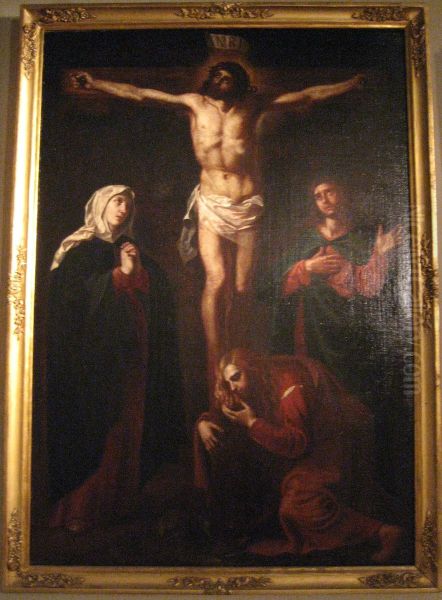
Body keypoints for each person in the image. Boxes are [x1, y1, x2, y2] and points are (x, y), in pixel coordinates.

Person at [71, 64, 364, 394]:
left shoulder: (253, 106)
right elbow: (140, 94)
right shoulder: (194, 104)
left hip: (248, 205)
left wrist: (349, 82)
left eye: (230, 77)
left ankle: (235, 356)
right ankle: (215, 359)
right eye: (219, 77)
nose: (224, 82)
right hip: (211, 204)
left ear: (241, 83)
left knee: (241, 286)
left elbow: (308, 95)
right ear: (210, 81)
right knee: (217, 279)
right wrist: (96, 83)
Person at [46, 185, 183, 532]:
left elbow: (158, 298)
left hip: (134, 353)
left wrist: (137, 271)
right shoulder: (77, 252)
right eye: (117, 201)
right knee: (100, 426)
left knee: (129, 423)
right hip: (94, 361)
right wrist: (119, 275)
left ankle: (118, 503)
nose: (123, 208)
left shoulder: (132, 250)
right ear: (101, 206)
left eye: (128, 204)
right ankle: (81, 508)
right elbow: (68, 304)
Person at [194, 348, 403, 563]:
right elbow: (222, 412)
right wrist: (203, 423)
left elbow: (297, 443)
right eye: (228, 382)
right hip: (290, 458)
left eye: (236, 377)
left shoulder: (290, 385)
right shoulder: (250, 387)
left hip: (325, 452)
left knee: (296, 508)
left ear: (252, 369)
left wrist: (251, 423)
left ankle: (382, 532)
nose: (233, 387)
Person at [264, 178, 403, 409]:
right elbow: (268, 285)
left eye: (329, 192)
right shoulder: (306, 240)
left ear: (344, 193)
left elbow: (371, 290)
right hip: (310, 331)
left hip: (349, 333)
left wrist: (380, 253)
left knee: (349, 399)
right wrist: (306, 267)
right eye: (318, 196)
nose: (324, 200)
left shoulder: (363, 237)